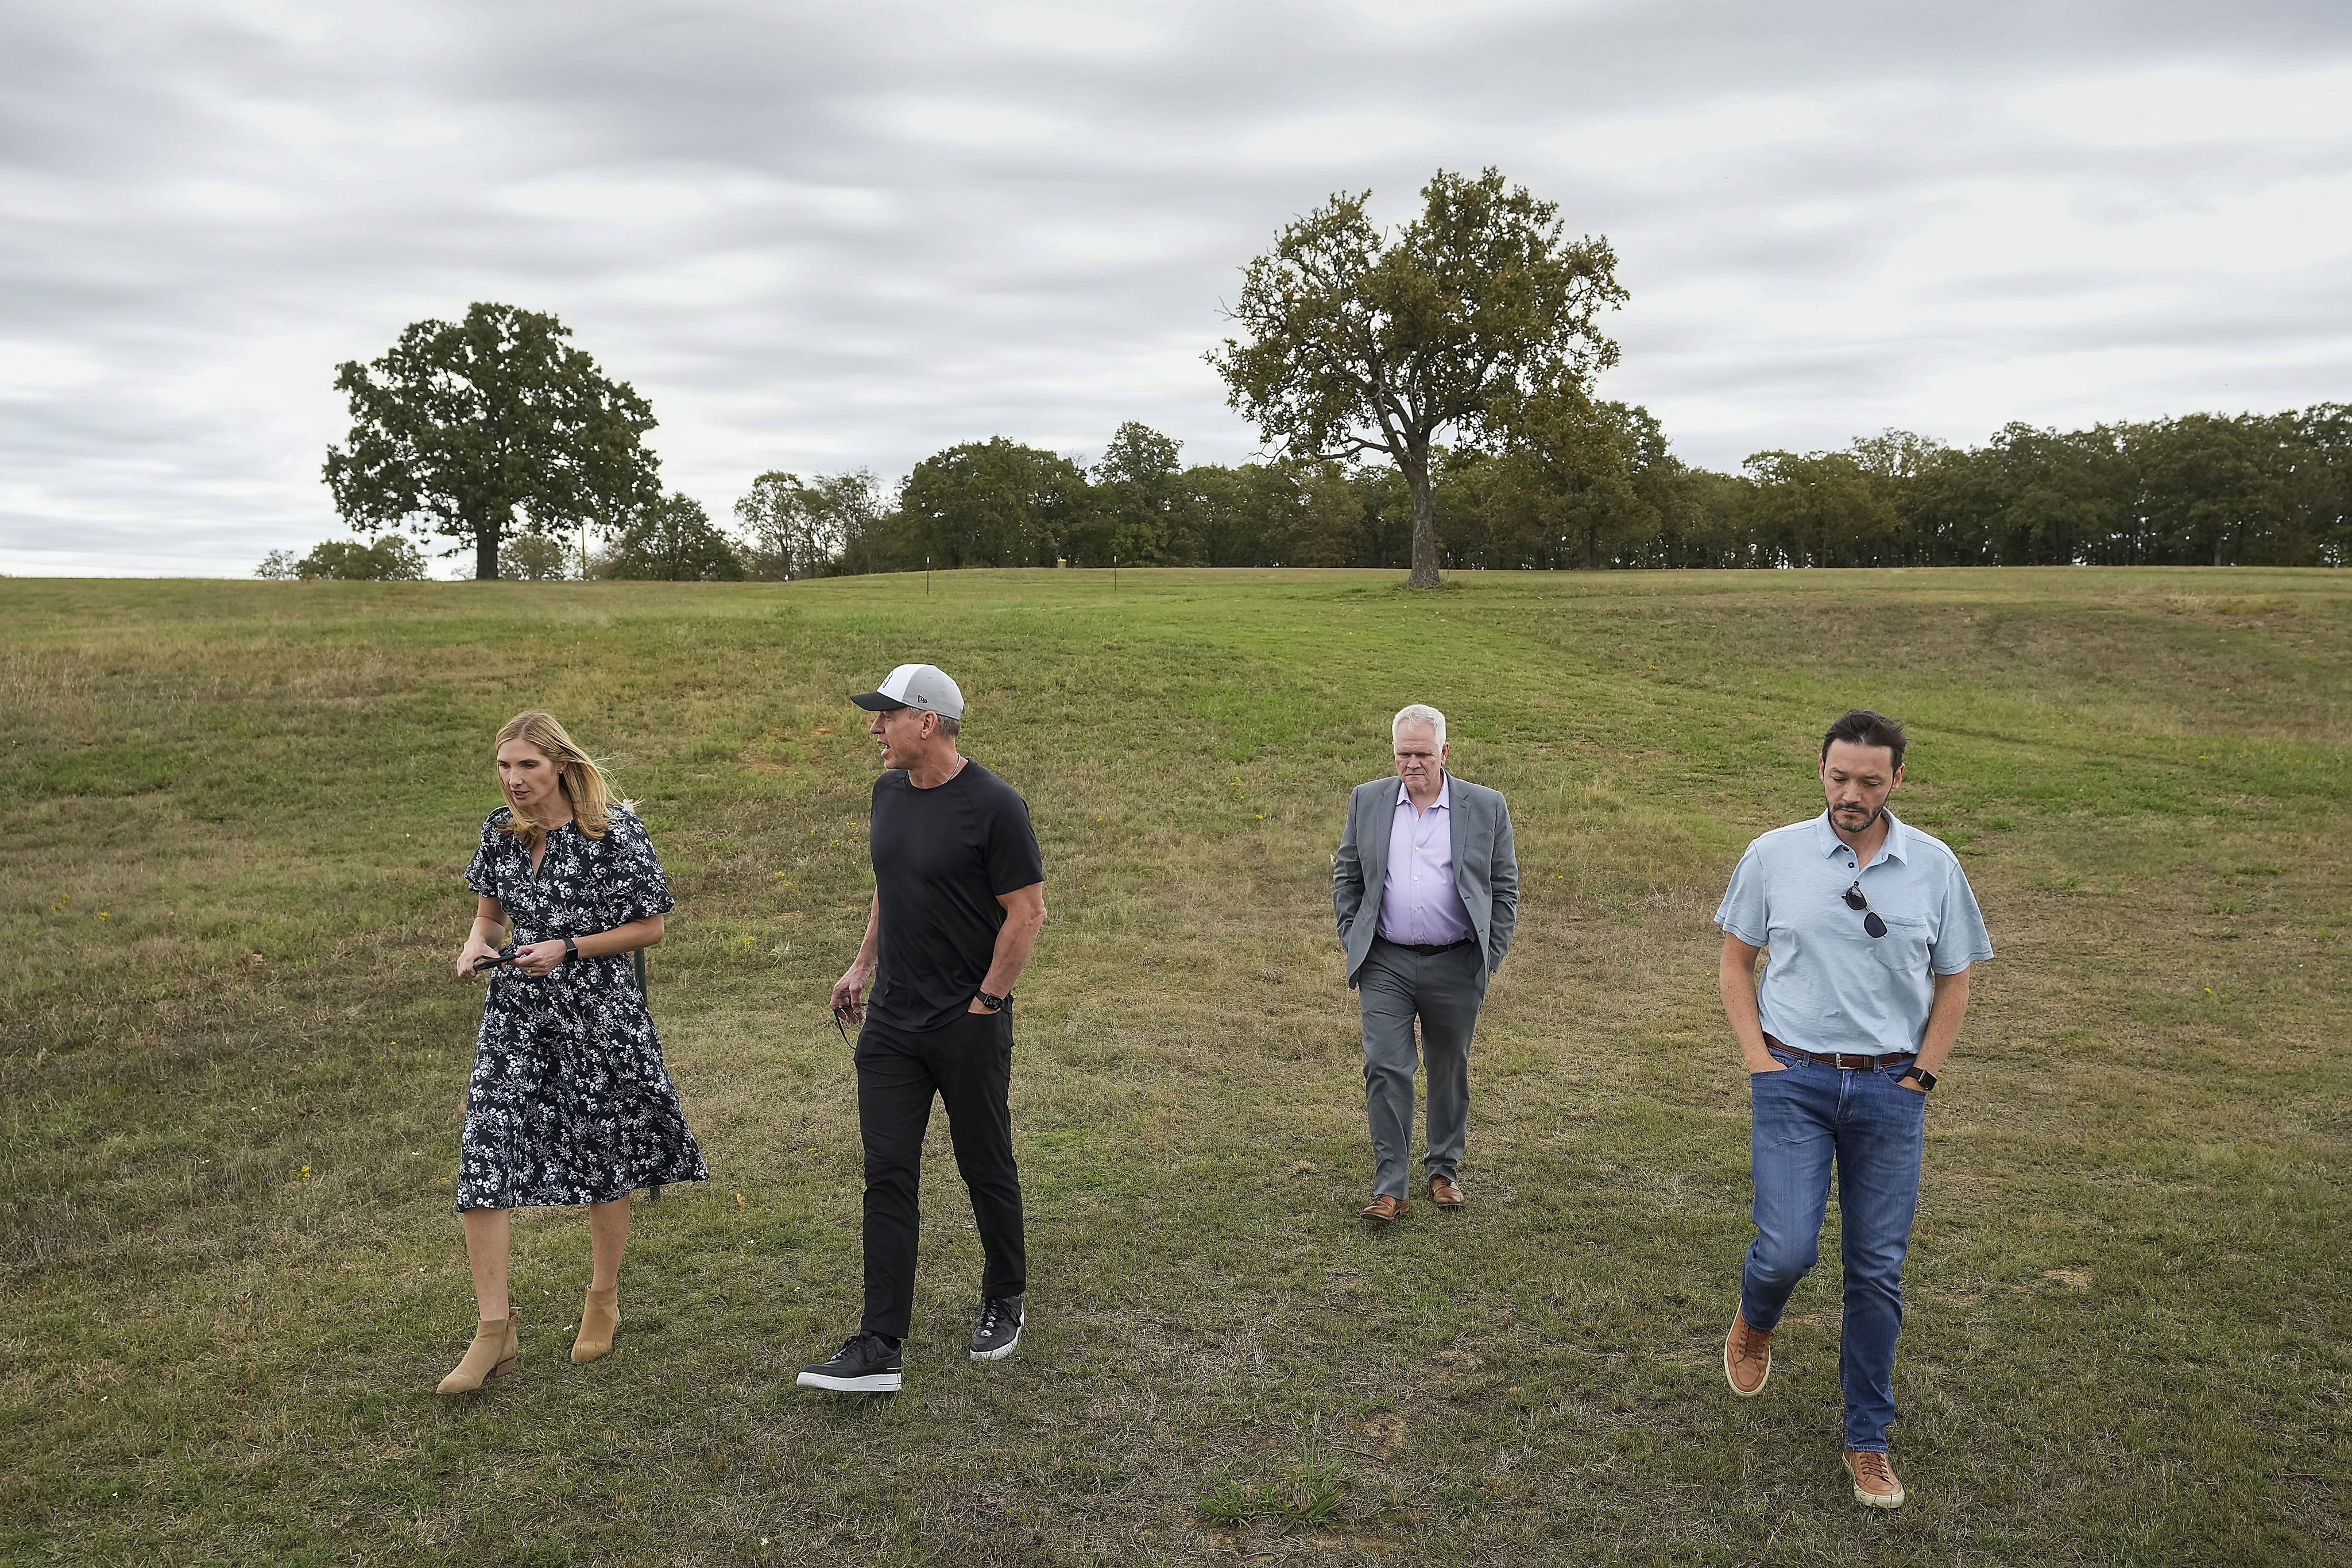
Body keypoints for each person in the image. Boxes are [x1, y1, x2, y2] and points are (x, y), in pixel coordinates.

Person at [1714, 708, 1994, 1508]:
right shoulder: (1773, 854)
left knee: (1877, 1271)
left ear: (1897, 780)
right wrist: (1758, 1062)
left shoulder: (1936, 866)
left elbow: (1956, 979)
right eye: (1840, 776)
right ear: (1823, 771)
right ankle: (1756, 1315)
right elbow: (1737, 961)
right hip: (1792, 1079)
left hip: (1890, 1090)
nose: (1852, 792)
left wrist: (1922, 1079)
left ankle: (1867, 1439)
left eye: (1871, 780)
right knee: (1787, 1249)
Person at [438, 711, 707, 1395]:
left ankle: (603, 1297)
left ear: (558, 764)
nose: (513, 779)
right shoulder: (498, 832)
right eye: (504, 766)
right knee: (484, 1151)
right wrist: (476, 944)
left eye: (526, 766)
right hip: (516, 1017)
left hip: (597, 1015)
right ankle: (493, 1328)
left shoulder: (613, 833)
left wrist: (570, 947)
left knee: (603, 1154)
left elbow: (652, 925)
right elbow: (489, 914)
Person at [798, 663, 1046, 1396]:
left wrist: (987, 1006)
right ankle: (880, 1344)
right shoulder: (887, 793)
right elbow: (890, 884)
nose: (873, 728)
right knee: (887, 1172)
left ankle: (1005, 1296)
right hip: (892, 1025)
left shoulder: (995, 805)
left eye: (886, 715)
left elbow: (1026, 912)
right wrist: (860, 966)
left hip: (966, 1021)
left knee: (984, 1160)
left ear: (927, 720)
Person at [1331, 703, 1518, 1221]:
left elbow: (1505, 886)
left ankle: (1443, 1171)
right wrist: (1354, 939)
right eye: (1404, 754)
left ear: (1444, 752)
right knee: (1386, 1066)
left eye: (1423, 753)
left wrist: (1490, 953)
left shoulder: (1485, 805)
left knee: (1447, 1068)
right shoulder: (1367, 801)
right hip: (1385, 962)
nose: (1413, 763)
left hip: (1457, 964)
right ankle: (1391, 1187)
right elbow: (1347, 875)